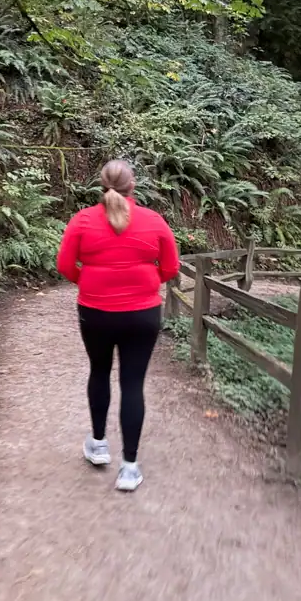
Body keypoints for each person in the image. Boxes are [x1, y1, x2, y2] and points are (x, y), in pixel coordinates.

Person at [56, 160, 180, 491]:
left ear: (101, 186)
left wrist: (91, 282)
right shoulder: (153, 221)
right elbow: (170, 267)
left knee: (99, 372)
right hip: (143, 315)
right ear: (133, 186)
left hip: (95, 311)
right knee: (132, 384)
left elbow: (65, 265)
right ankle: (129, 467)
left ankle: (98, 445)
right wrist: (146, 281)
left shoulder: (82, 221)